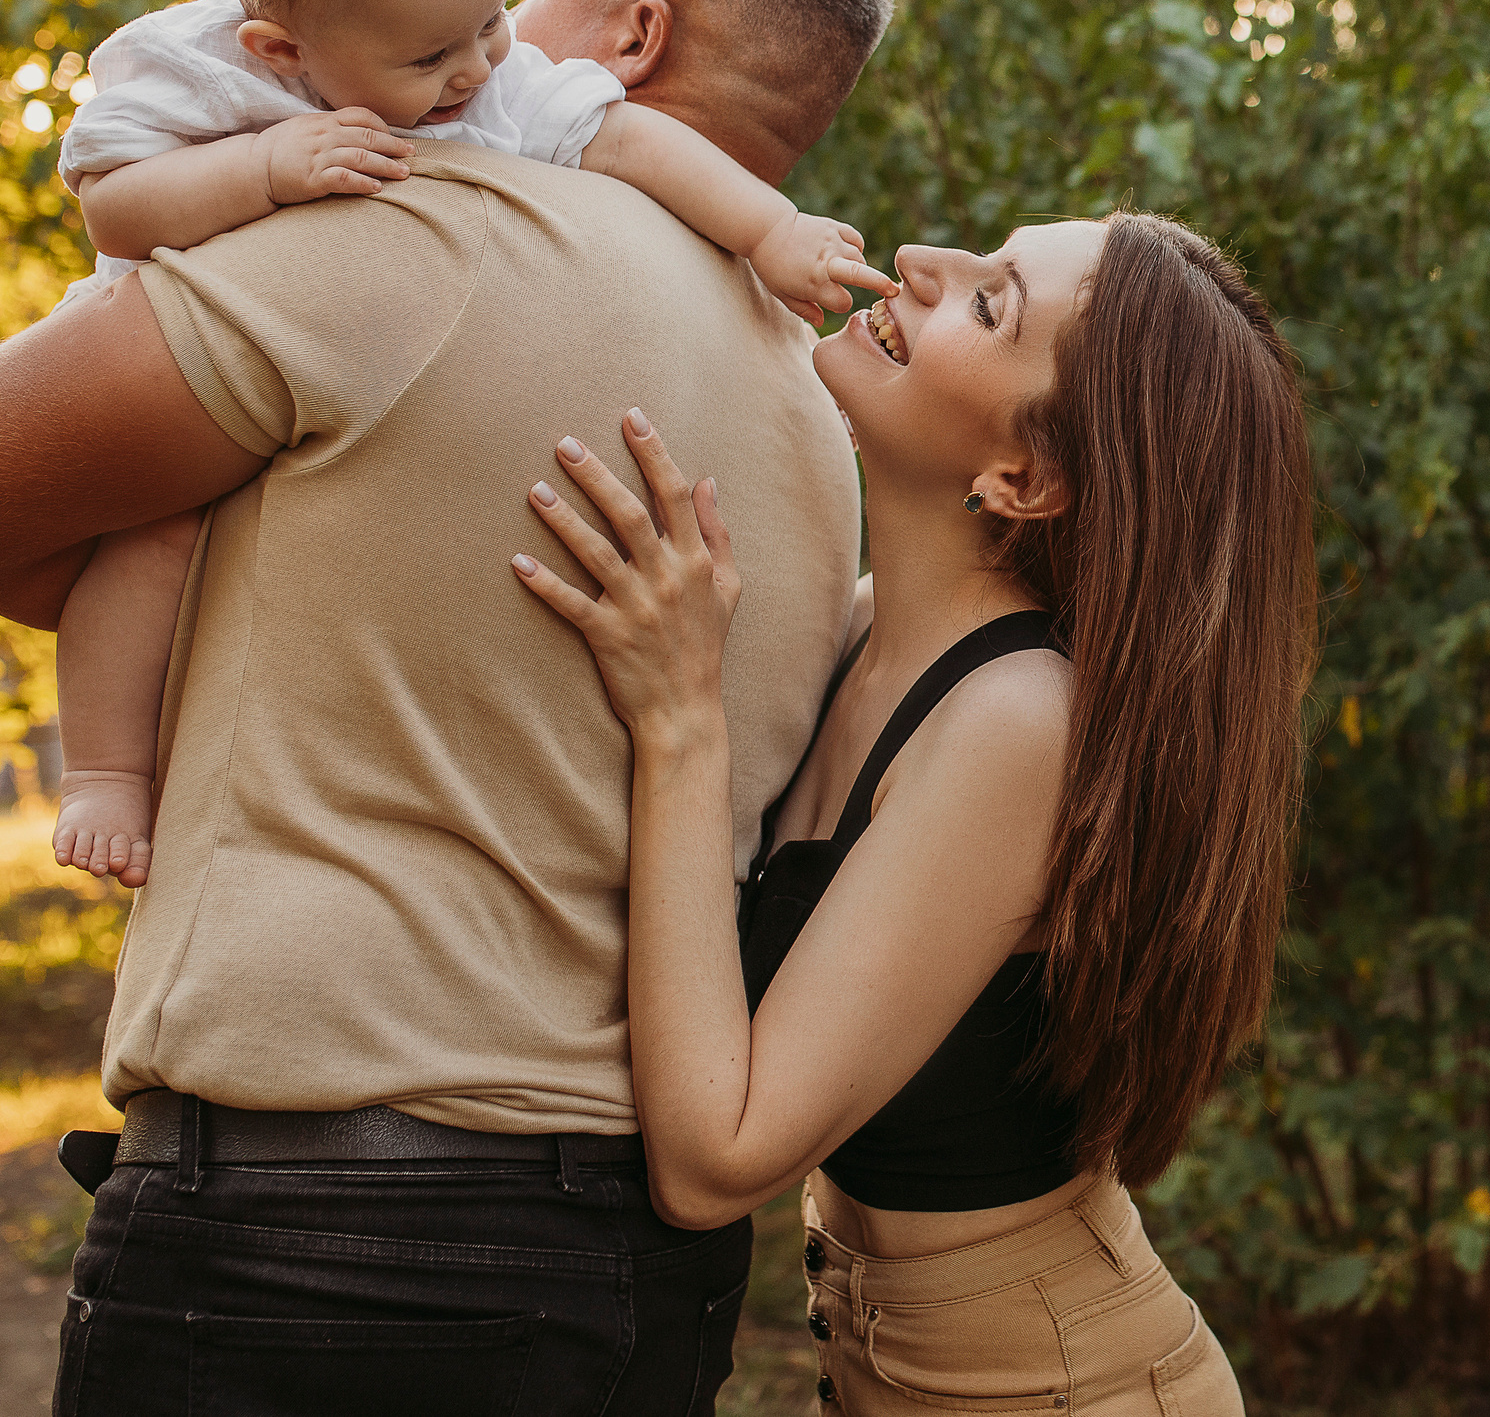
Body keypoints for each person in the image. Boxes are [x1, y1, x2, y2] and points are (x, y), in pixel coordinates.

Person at [0, 0, 891, 1415]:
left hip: (320, 1239)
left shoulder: (430, 227)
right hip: (635, 1261)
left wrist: (166, 647)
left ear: (635, 36)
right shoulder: (829, 430)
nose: (503, 29)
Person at [512, 213, 1317, 1413]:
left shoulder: (1017, 721)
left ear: (1023, 478)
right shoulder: (857, 626)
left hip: (1068, 1387)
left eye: (990, 303)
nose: (922, 266)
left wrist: (680, 720)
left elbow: (716, 1161)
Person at [47, 0, 889, 888]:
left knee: (147, 539)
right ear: (281, 47)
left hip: (320, 947)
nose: (486, 61)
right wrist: (261, 166)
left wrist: (774, 230)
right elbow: (115, 206)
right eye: (442, 47)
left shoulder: (444, 208)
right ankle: (104, 766)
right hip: (603, 972)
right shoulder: (814, 425)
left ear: (637, 37)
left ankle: (109, 767)